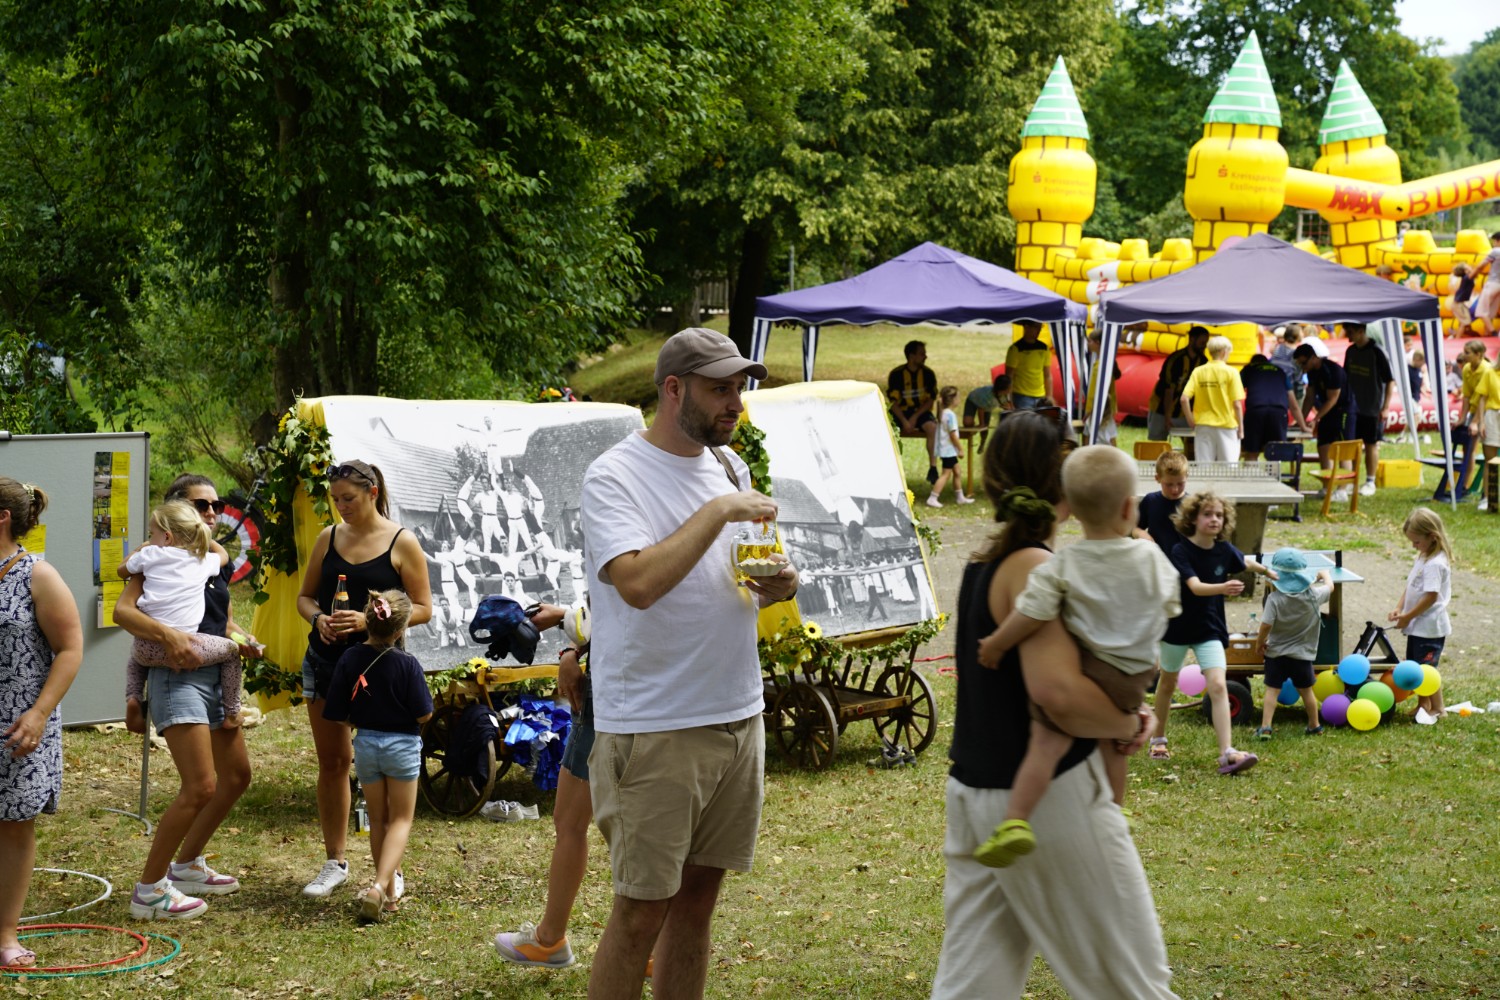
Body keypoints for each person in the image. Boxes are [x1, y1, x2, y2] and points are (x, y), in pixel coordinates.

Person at [580, 327, 798, 999]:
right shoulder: (614, 475)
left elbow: (739, 570)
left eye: (740, 389)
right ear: (673, 390)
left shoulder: (730, 467)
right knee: (641, 912)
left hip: (737, 713)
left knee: (698, 902)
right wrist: (719, 510)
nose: (736, 404)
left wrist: (780, 581)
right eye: (720, 389)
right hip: (655, 725)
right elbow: (638, 584)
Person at [929, 411, 1175, 999]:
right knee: (1131, 985)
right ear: (1059, 484)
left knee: (974, 987)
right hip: (1048, 805)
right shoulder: (1036, 566)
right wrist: (1129, 719)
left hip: (978, 797)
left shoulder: (986, 560)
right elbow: (1057, 693)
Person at [970, 446, 1178, 868]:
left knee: (1047, 742)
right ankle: (1114, 812)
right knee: (1116, 745)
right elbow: (1171, 602)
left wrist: (997, 644)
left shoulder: (1062, 564)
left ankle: (1015, 820)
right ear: (1129, 508)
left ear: (1073, 511)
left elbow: (1031, 613)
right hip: (1136, 674)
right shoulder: (1151, 556)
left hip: (1091, 667)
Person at [116, 474, 259, 920]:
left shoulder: (207, 563)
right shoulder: (155, 558)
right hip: (178, 677)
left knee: (236, 777)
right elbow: (123, 612)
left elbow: (223, 622)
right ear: (178, 512)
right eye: (201, 505)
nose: (212, 513)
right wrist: (169, 637)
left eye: (215, 505)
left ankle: (186, 866)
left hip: (215, 673)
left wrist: (244, 639)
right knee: (200, 786)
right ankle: (149, 890)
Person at [295, 460, 432, 899]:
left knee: (384, 768)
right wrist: (318, 619)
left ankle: (389, 872)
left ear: (372, 492)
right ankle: (334, 862)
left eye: (349, 499)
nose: (341, 507)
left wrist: (368, 619)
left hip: (381, 670)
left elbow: (424, 608)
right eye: (336, 499)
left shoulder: (401, 541)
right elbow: (304, 597)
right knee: (334, 763)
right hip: (326, 663)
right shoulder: (328, 537)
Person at [0, 480, 82, 969]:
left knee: (12, 825)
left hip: (17, 724)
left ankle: (5, 935)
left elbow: (70, 649)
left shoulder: (37, 575)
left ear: (3, 517)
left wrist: (38, 713)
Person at [321, 590, 433, 922]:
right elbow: (424, 714)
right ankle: (381, 886)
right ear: (400, 631)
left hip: (367, 745)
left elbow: (337, 713)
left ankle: (390, 896)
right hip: (402, 747)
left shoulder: (349, 659)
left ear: (367, 621)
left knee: (378, 819)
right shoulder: (408, 664)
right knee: (401, 820)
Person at [1151, 491, 1274, 774]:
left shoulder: (1224, 550)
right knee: (1167, 683)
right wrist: (1223, 588)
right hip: (1177, 627)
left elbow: (1245, 562)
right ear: (1193, 519)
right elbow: (1195, 587)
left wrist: (1268, 572)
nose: (1214, 519)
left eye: (1219, 515)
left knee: (1218, 685)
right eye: (1207, 514)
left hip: (1209, 628)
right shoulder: (1180, 551)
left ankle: (1227, 753)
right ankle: (1158, 739)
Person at [118, 501, 243, 730]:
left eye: (151, 533)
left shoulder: (150, 554)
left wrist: (142, 548)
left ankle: (133, 698)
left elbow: (121, 570)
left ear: (166, 537)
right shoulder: (201, 560)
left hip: (146, 647)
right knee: (231, 651)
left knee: (135, 657)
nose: (150, 539)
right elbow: (223, 555)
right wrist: (205, 537)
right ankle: (233, 711)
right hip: (187, 647)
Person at [1252, 548, 1332, 739]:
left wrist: (1259, 643)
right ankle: (1314, 725)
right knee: (1307, 692)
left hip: (1276, 654)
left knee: (1272, 691)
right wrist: (1324, 574)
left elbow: (1265, 625)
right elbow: (1330, 587)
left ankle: (1265, 727)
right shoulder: (1314, 596)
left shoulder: (1274, 599)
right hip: (1302, 656)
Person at [1390, 508, 1452, 723]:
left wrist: (1408, 616)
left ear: (1432, 537)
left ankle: (1439, 708)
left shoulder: (1435, 564)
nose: (1413, 546)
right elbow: (1412, 586)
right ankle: (1423, 704)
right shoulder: (1424, 556)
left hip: (1430, 627)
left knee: (1426, 670)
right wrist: (1400, 608)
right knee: (1416, 667)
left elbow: (1431, 597)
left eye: (1416, 542)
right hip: (1418, 625)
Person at [1293, 343, 1357, 503]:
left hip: (1343, 411)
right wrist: (1301, 420)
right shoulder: (1312, 372)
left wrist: (1316, 419)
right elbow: (1309, 397)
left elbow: (1332, 399)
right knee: (1323, 446)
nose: (1302, 367)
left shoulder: (1333, 371)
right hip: (1327, 411)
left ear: (1314, 358)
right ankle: (1327, 487)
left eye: (1303, 363)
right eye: (1299, 364)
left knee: (1342, 450)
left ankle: (1342, 490)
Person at [1341, 322, 1396, 497]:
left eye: (1350, 331)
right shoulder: (1350, 351)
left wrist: (1385, 407)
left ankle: (1370, 481)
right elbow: (1346, 377)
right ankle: (1352, 479)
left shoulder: (1377, 352)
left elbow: (1390, 380)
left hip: (1372, 407)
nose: (1347, 335)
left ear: (1360, 331)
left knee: (1371, 444)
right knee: (1353, 444)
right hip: (1353, 407)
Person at [1147, 324, 1210, 458]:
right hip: (1161, 408)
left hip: (1185, 411)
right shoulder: (1175, 359)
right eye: (1202, 343)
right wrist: (1167, 417)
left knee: (1193, 443)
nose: (1204, 346)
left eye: (1206, 343)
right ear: (1192, 339)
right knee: (1157, 444)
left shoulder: (1204, 362)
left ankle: (1190, 466)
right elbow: (1168, 390)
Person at [1180, 334, 1246, 463]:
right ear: (1224, 352)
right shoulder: (1232, 372)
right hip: (1227, 425)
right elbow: (1237, 404)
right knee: (1228, 467)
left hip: (1203, 425)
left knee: (1204, 467)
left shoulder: (1198, 371)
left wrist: (1190, 420)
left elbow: (1184, 399)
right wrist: (1241, 429)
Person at [1240, 353, 1307, 461]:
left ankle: (1251, 471)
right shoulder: (1280, 372)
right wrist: (1303, 426)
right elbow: (1294, 405)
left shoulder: (1248, 369)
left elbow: (1234, 393)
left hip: (1256, 410)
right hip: (1278, 412)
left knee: (1252, 451)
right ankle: (1274, 472)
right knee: (1275, 453)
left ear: (1252, 362)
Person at [888, 339, 939, 479]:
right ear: (911, 356)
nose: (925, 356)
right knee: (886, 429)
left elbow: (930, 400)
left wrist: (915, 417)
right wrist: (904, 421)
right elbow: (893, 403)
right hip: (901, 412)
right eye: (922, 354)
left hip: (921, 412)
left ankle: (933, 468)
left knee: (932, 428)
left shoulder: (928, 374)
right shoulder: (897, 374)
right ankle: (890, 469)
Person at [927, 386, 973, 508]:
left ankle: (960, 497)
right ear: (953, 400)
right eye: (958, 397)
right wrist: (960, 449)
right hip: (948, 450)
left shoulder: (943, 413)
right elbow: (953, 435)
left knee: (957, 471)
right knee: (946, 474)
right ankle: (933, 497)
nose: (959, 400)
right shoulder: (950, 415)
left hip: (946, 449)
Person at [1469, 352, 1500, 511]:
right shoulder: (1490, 372)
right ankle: (1488, 498)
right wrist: (1480, 422)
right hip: (1492, 416)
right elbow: (1482, 398)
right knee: (1490, 460)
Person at [1004, 321, 1052, 411]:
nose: (1039, 330)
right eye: (1036, 327)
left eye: (1040, 327)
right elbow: (1009, 377)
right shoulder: (1015, 349)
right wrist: (1009, 400)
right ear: (1026, 327)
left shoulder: (1044, 348)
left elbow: (1047, 375)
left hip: (1041, 397)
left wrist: (1049, 396)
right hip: (1021, 397)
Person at [1084, 329, 1122, 445]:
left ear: (1098, 343)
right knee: (1108, 434)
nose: (1088, 344)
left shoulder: (1100, 365)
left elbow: (1093, 392)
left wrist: (1088, 411)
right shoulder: (1107, 361)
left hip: (1099, 407)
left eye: (1090, 341)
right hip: (1107, 407)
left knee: (1092, 435)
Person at [962, 372, 1012, 446]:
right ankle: (972, 427)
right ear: (1002, 389)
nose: (1011, 389)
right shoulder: (988, 395)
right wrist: (981, 424)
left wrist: (1010, 409)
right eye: (1009, 388)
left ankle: (982, 443)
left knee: (985, 428)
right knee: (967, 423)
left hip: (987, 408)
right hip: (973, 400)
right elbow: (981, 409)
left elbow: (1007, 406)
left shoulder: (1005, 395)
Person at [1471, 232, 1500, 334]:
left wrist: (1471, 276)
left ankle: (1493, 333)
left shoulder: (1496, 251)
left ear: (1498, 241)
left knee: (1481, 311)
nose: (1493, 244)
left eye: (1494, 241)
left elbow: (1481, 265)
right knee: (1491, 312)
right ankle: (1488, 334)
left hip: (1493, 283)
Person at [1448, 261, 1475, 335]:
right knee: (1464, 322)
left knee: (1466, 321)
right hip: (1458, 304)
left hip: (1459, 303)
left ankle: (1456, 334)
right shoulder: (1467, 277)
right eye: (1468, 266)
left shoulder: (1467, 277)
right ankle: (1457, 338)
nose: (1470, 266)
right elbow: (1476, 271)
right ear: (1465, 270)